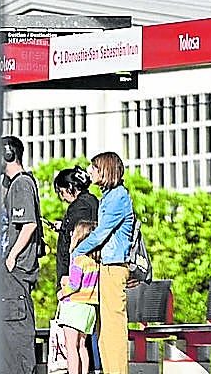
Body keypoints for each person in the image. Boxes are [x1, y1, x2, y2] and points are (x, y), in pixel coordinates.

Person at [71, 151, 133, 374]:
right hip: (107, 266)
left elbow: (100, 234)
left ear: (106, 170)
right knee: (103, 329)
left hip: (114, 267)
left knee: (113, 328)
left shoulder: (118, 197)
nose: (90, 171)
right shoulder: (109, 197)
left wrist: (77, 252)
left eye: (94, 168)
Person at [0, 135, 41, 374]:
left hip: (17, 271)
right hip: (14, 271)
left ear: (8, 154)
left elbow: (29, 224)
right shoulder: (16, 183)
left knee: (16, 335)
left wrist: (11, 257)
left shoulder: (21, 184)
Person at [58, 220, 101, 374]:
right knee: (82, 346)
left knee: (71, 346)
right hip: (89, 309)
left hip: (74, 307)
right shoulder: (95, 263)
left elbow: (74, 285)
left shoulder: (78, 260)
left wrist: (63, 291)